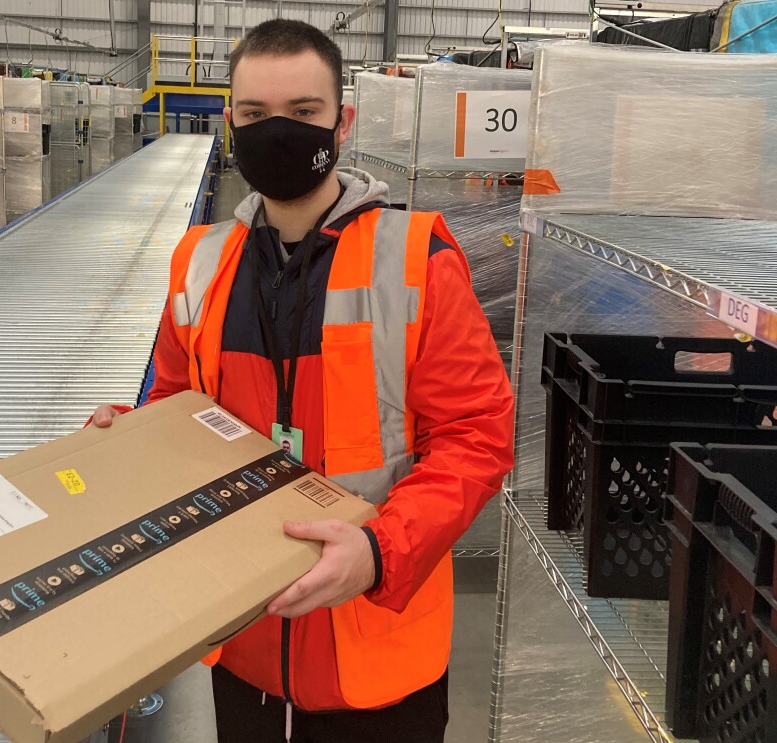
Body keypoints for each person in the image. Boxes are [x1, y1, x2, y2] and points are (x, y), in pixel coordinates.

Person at [91, 18, 514, 743]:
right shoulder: (199, 261)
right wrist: (128, 443)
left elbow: (476, 436)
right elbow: (174, 406)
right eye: (255, 114)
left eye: (303, 111)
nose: (277, 131)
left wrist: (380, 551)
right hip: (245, 636)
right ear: (230, 122)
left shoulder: (415, 259)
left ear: (342, 123)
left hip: (377, 652)